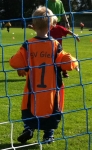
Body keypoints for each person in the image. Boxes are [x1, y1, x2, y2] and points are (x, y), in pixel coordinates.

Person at [9, 6, 79, 144]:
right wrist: (75, 63)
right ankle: (48, 135)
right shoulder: (55, 45)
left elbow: (15, 61)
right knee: (52, 110)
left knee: (29, 108)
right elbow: (66, 61)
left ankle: (28, 128)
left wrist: (21, 66)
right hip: (50, 90)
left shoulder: (28, 44)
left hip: (33, 89)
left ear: (33, 26)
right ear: (53, 25)